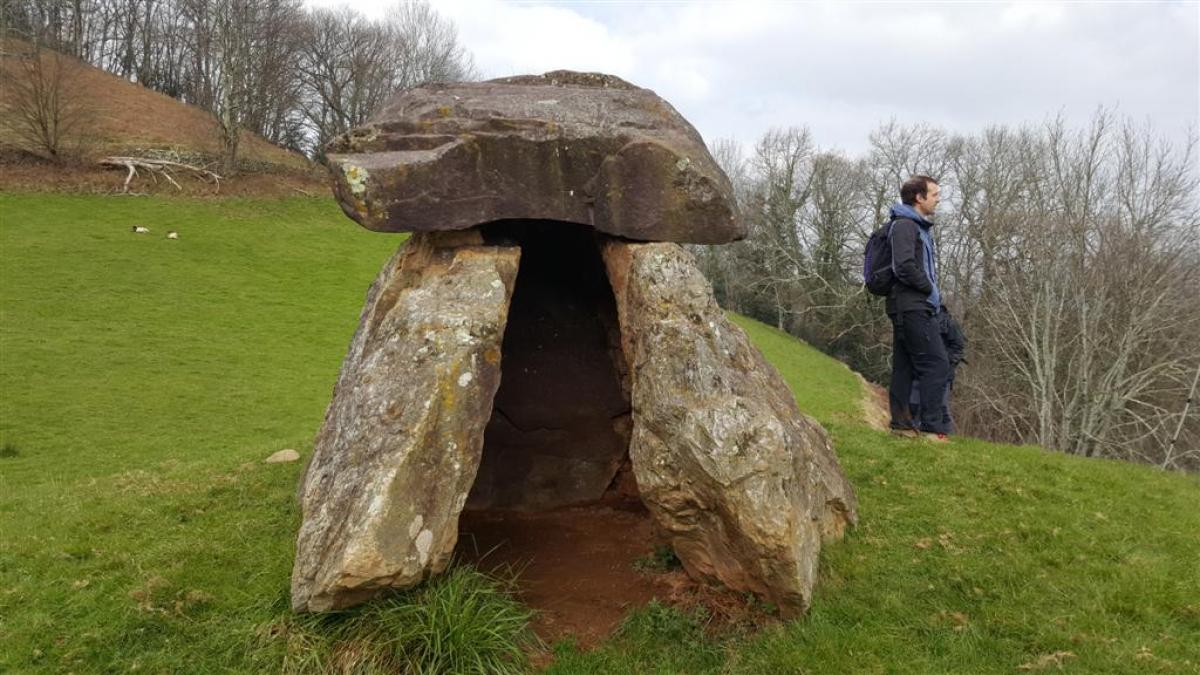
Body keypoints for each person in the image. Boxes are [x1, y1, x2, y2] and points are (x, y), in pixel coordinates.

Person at [886, 175, 951, 440]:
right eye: (934, 194)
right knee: (936, 364)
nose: (938, 199)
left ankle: (901, 427)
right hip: (913, 306)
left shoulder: (916, 227)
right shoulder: (905, 226)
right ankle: (932, 429)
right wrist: (928, 288)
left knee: (905, 365)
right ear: (919, 198)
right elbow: (904, 266)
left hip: (908, 306)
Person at [908, 304, 966, 433]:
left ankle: (946, 436)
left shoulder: (949, 323)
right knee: (914, 403)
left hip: (943, 374)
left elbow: (959, 348)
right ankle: (916, 432)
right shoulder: (919, 321)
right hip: (920, 370)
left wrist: (944, 363)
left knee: (941, 406)